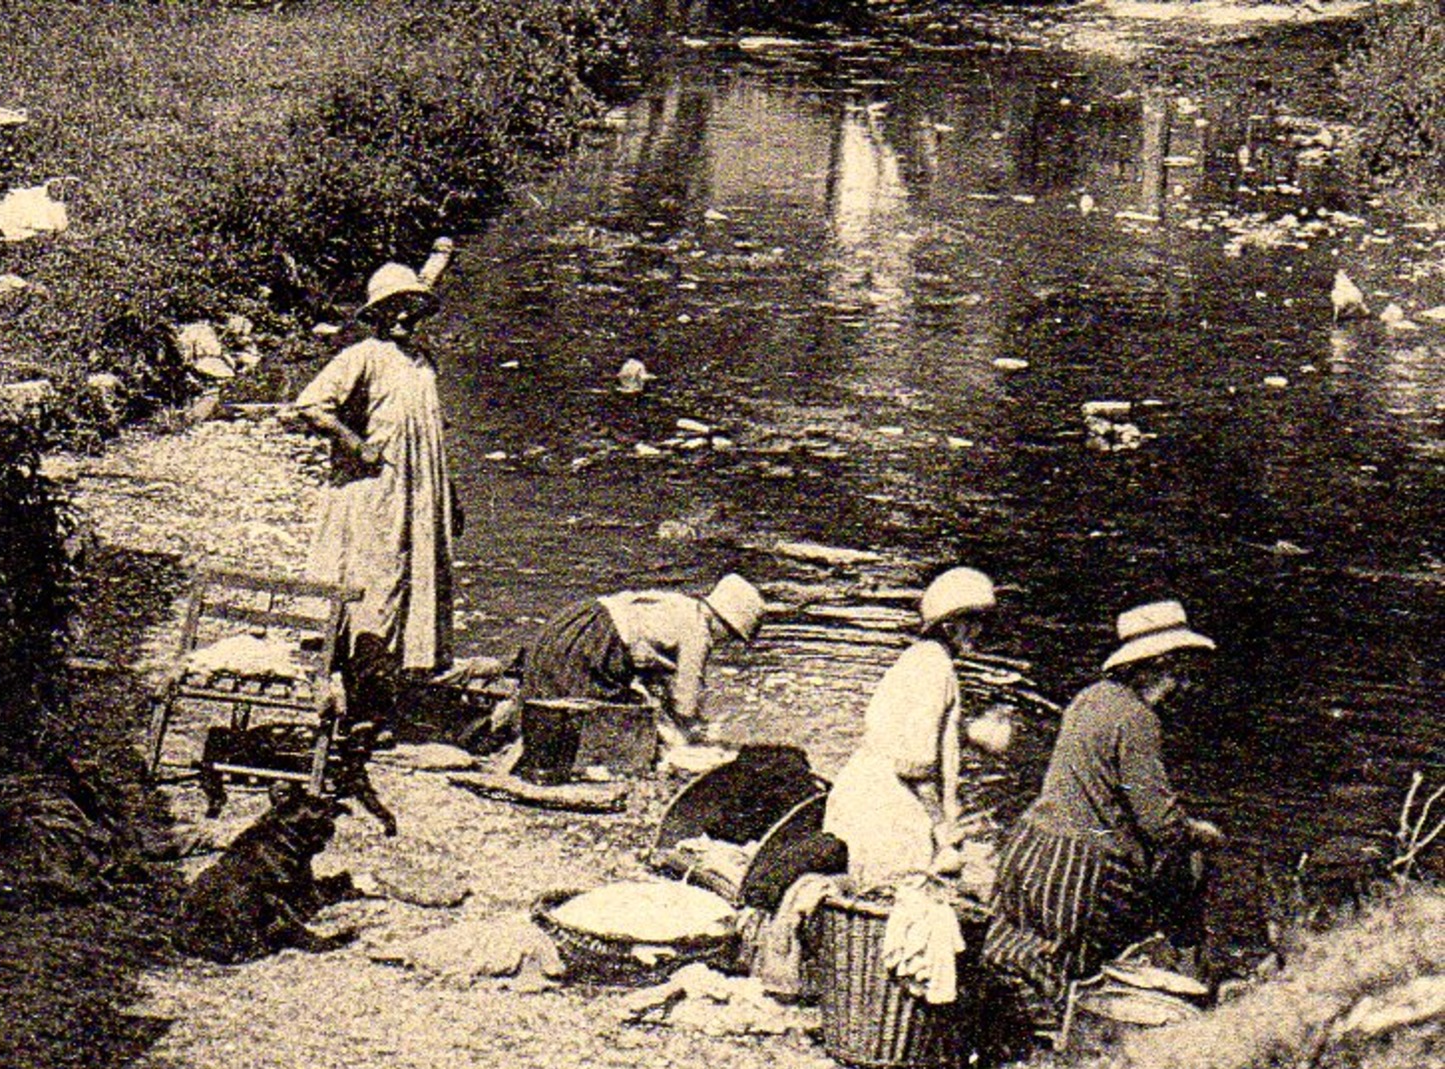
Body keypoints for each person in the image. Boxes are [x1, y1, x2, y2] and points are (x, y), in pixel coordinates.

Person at [980, 599, 1227, 1042]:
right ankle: (1173, 980)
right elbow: (1159, 822)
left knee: (1019, 951)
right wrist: (1200, 832)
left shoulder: (1088, 699)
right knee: (1186, 868)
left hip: (1030, 849)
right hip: (1076, 870)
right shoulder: (1137, 719)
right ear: (1156, 667)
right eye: (1178, 673)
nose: (1182, 685)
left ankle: (1023, 1012)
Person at [294, 239, 458, 757]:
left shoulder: (421, 363)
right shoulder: (363, 356)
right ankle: (355, 707)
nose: (404, 319)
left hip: (418, 497)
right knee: (373, 594)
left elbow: (432, 434)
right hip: (372, 498)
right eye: (394, 311)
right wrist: (356, 444)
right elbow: (312, 405)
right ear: (379, 317)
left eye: (411, 310)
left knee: (413, 589)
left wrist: (449, 495)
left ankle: (385, 704)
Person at [823, 567, 1015, 892]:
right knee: (908, 897)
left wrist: (969, 732)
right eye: (972, 622)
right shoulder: (935, 669)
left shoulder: (918, 659)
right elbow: (915, 766)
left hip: (861, 794)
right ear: (950, 626)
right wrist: (943, 829)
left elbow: (910, 729)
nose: (979, 631)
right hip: (888, 812)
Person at [513, 574, 766, 783]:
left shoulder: (681, 605)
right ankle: (563, 766)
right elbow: (685, 699)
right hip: (597, 640)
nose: (726, 643)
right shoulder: (699, 633)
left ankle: (523, 740)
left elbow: (656, 674)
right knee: (587, 710)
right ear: (725, 623)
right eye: (732, 637)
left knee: (552, 695)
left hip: (577, 621)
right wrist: (697, 738)